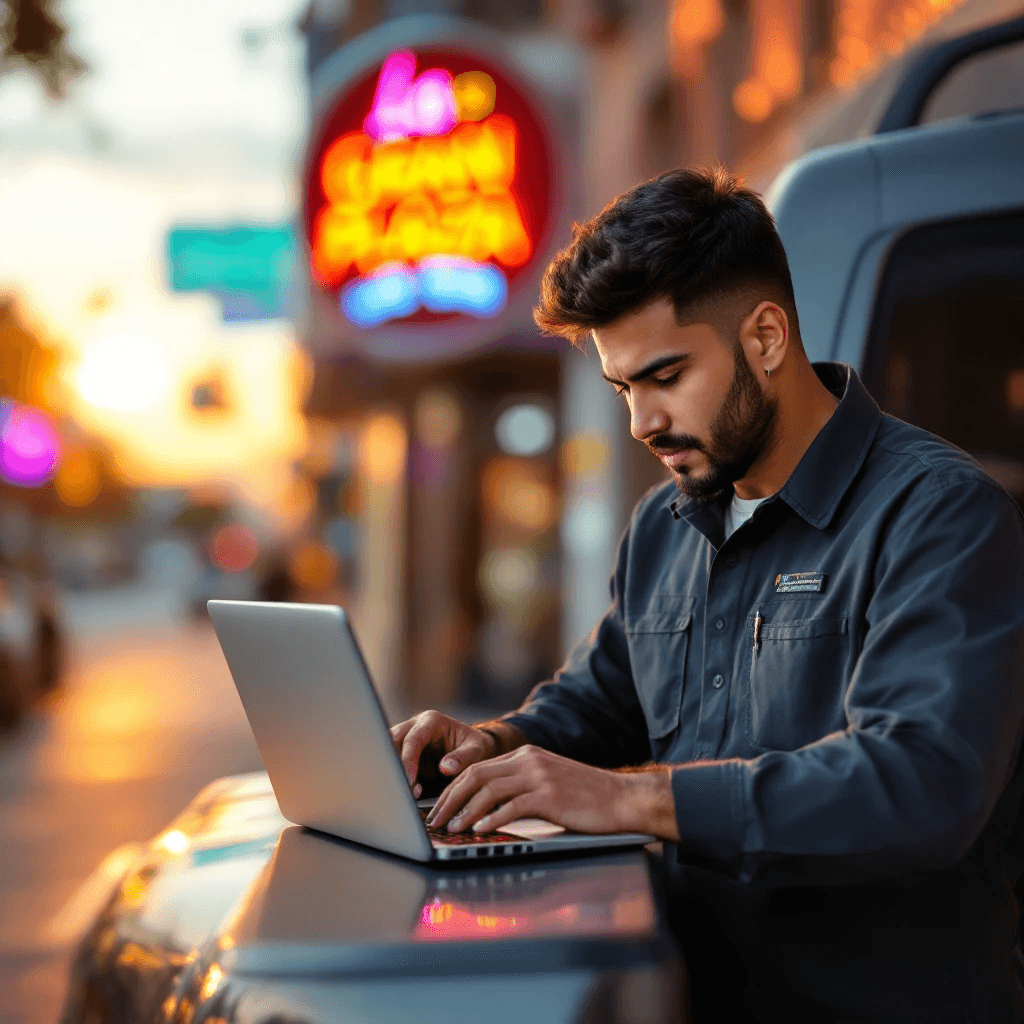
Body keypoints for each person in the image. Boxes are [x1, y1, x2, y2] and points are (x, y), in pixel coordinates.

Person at [391, 168, 1024, 1022]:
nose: (640, 422)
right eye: (624, 389)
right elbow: (603, 699)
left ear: (766, 337)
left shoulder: (940, 513)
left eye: (665, 376)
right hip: (686, 996)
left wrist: (629, 797)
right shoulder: (664, 523)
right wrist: (493, 745)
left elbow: (919, 783)